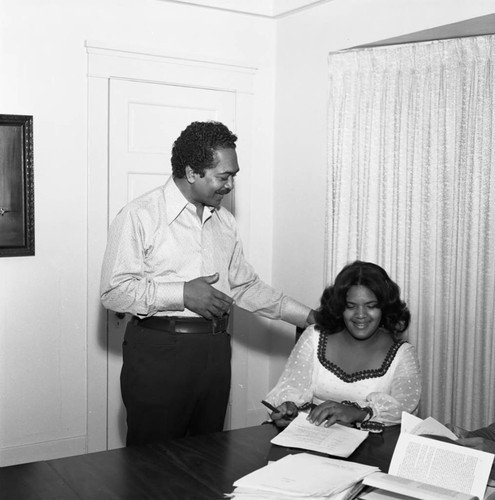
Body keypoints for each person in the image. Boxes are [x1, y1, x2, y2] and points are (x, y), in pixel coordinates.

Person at [100, 120, 315, 446]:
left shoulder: (224, 222)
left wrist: (309, 317)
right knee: (152, 468)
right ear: (191, 173)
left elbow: (244, 286)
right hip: (159, 355)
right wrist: (183, 294)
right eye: (223, 176)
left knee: (208, 459)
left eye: (234, 176)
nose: (230, 185)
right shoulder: (140, 215)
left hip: (214, 354)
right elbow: (114, 292)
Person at [264, 260, 421, 431]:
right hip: (312, 441)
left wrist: (358, 414)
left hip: (372, 451)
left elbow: (406, 411)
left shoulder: (402, 354)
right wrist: (287, 409)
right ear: (340, 308)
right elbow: (290, 389)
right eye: (351, 306)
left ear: (384, 308)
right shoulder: (314, 337)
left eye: (371, 306)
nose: (360, 315)